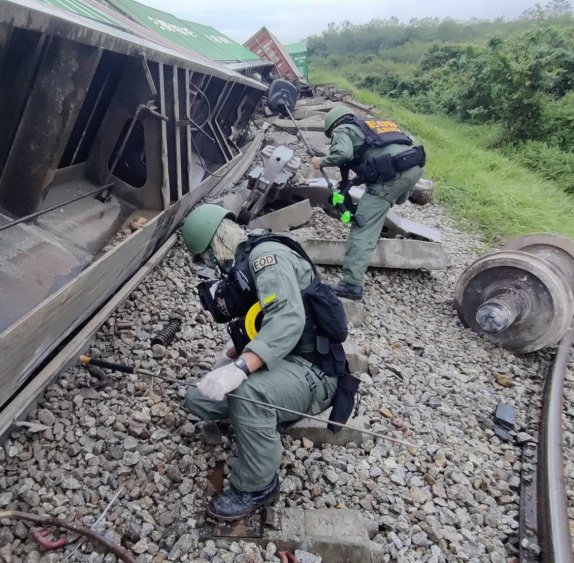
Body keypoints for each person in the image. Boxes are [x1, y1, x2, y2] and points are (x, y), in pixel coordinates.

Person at [180, 204, 356, 521]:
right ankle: (264, 418)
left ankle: (258, 484)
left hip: (313, 372)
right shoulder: (245, 264)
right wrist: (230, 358)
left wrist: (241, 369)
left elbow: (287, 322)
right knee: (199, 398)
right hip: (285, 361)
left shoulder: (267, 259)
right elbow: (258, 323)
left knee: (249, 395)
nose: (208, 266)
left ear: (216, 244)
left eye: (205, 258)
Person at [311, 106, 426, 300]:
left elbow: (344, 154)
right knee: (390, 199)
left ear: (333, 125)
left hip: (394, 175)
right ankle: (400, 194)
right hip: (415, 166)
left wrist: (320, 162)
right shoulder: (371, 124)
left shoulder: (342, 129)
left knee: (363, 226)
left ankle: (351, 284)